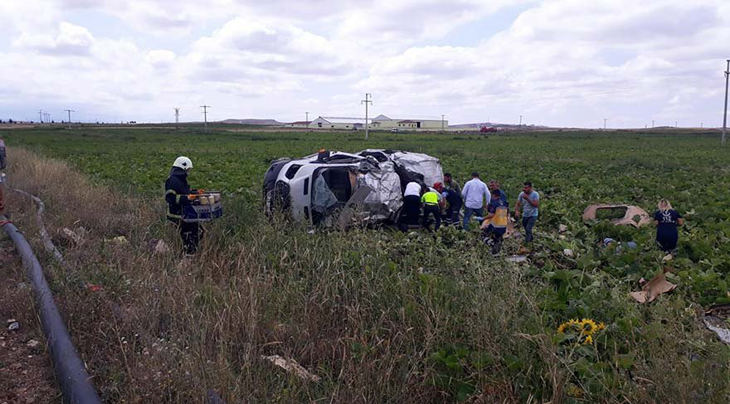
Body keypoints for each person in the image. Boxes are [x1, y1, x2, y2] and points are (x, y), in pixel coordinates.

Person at [165, 156, 201, 254]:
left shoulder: (181, 179)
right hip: (177, 215)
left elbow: (184, 192)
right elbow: (170, 198)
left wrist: (195, 192)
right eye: (188, 169)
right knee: (189, 236)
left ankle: (190, 253)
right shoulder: (172, 181)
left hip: (186, 213)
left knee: (198, 232)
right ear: (183, 168)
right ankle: (187, 257)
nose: (189, 171)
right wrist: (187, 198)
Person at [481, 189, 510, 254]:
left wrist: (483, 218)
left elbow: (491, 214)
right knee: (498, 239)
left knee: (484, 235)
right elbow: (508, 213)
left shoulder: (494, 203)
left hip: (495, 225)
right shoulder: (505, 203)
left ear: (493, 195)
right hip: (503, 226)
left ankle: (491, 244)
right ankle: (496, 253)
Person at [515, 181, 540, 246]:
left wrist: (527, 199)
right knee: (526, 228)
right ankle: (531, 239)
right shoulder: (521, 194)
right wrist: (517, 211)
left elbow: (536, 205)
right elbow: (518, 203)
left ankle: (526, 244)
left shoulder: (535, 194)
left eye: (526, 188)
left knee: (528, 228)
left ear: (530, 188)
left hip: (533, 214)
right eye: (524, 188)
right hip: (525, 214)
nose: (524, 189)